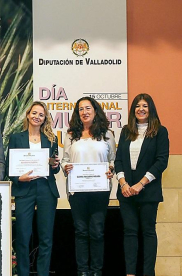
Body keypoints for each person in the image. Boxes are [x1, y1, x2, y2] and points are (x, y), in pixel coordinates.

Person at [115, 94, 169, 276]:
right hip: (126, 191)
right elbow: (119, 160)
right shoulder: (125, 131)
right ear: (133, 110)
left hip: (148, 191)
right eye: (137, 106)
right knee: (129, 233)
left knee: (148, 232)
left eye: (145, 105)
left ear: (151, 109)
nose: (141, 109)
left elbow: (161, 161)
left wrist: (140, 184)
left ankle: (148, 273)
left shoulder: (160, 131)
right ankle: (130, 273)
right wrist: (123, 183)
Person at [61, 97, 116, 276]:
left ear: (95, 111)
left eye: (88, 108)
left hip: (100, 190)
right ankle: (83, 271)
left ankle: (97, 271)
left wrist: (111, 170)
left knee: (97, 231)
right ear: (77, 113)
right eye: (80, 109)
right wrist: (65, 167)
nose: (84, 112)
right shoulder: (71, 135)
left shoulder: (107, 134)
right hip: (77, 191)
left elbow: (112, 160)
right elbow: (65, 160)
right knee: (81, 231)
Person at [7, 101, 60, 276]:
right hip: (24, 189)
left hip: (46, 189)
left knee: (46, 238)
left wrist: (55, 166)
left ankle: (43, 273)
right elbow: (10, 166)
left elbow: (55, 167)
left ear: (45, 119)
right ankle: (23, 273)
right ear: (28, 115)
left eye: (41, 115)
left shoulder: (52, 139)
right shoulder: (16, 138)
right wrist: (17, 178)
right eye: (34, 113)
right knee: (23, 236)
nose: (37, 117)